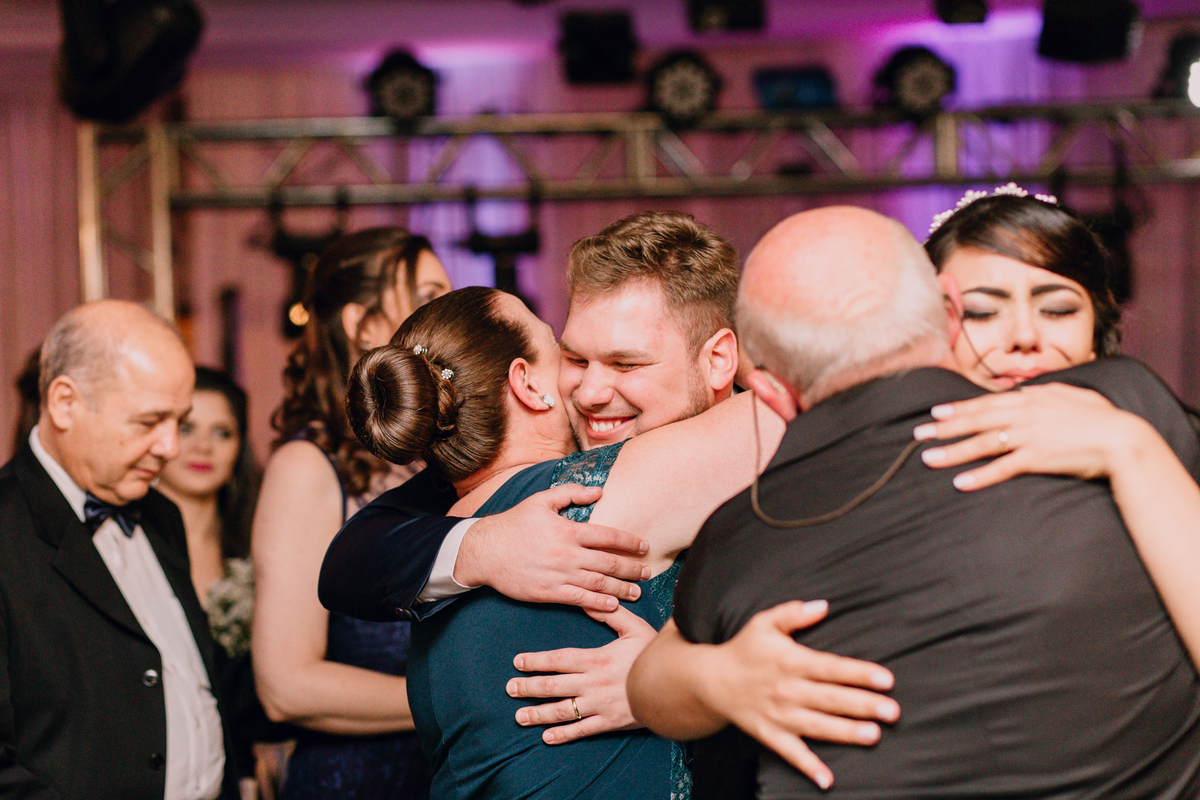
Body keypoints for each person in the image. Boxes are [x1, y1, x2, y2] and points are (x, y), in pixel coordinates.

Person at [629, 188, 1200, 790]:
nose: (1021, 339)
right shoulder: (789, 505)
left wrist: (1131, 448)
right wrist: (711, 677)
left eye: (1057, 308)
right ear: (940, 315)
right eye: (984, 311)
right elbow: (658, 673)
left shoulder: (1133, 418)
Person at [319, 211, 899, 754]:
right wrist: (483, 545)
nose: (591, 392)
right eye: (574, 359)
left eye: (626, 365)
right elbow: (352, 558)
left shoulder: (818, 449)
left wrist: (667, 684)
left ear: (721, 361)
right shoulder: (549, 489)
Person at [344, 284, 788, 799]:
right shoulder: (588, 496)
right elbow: (811, 407)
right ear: (528, 384)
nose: (588, 388)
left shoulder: (444, 545)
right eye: (564, 351)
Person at [0, 300, 238, 799]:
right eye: (149, 421)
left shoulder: (160, 514)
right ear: (65, 402)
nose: (171, 447)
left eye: (178, 420)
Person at [250, 227, 450, 800]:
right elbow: (285, 684)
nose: (447, 313)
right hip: (358, 781)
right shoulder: (306, 467)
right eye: (429, 295)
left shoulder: (433, 462)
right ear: (364, 326)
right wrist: (460, 701)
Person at [157, 366, 278, 798]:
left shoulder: (260, 551)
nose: (202, 446)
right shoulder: (125, 547)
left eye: (222, 432)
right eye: (186, 428)